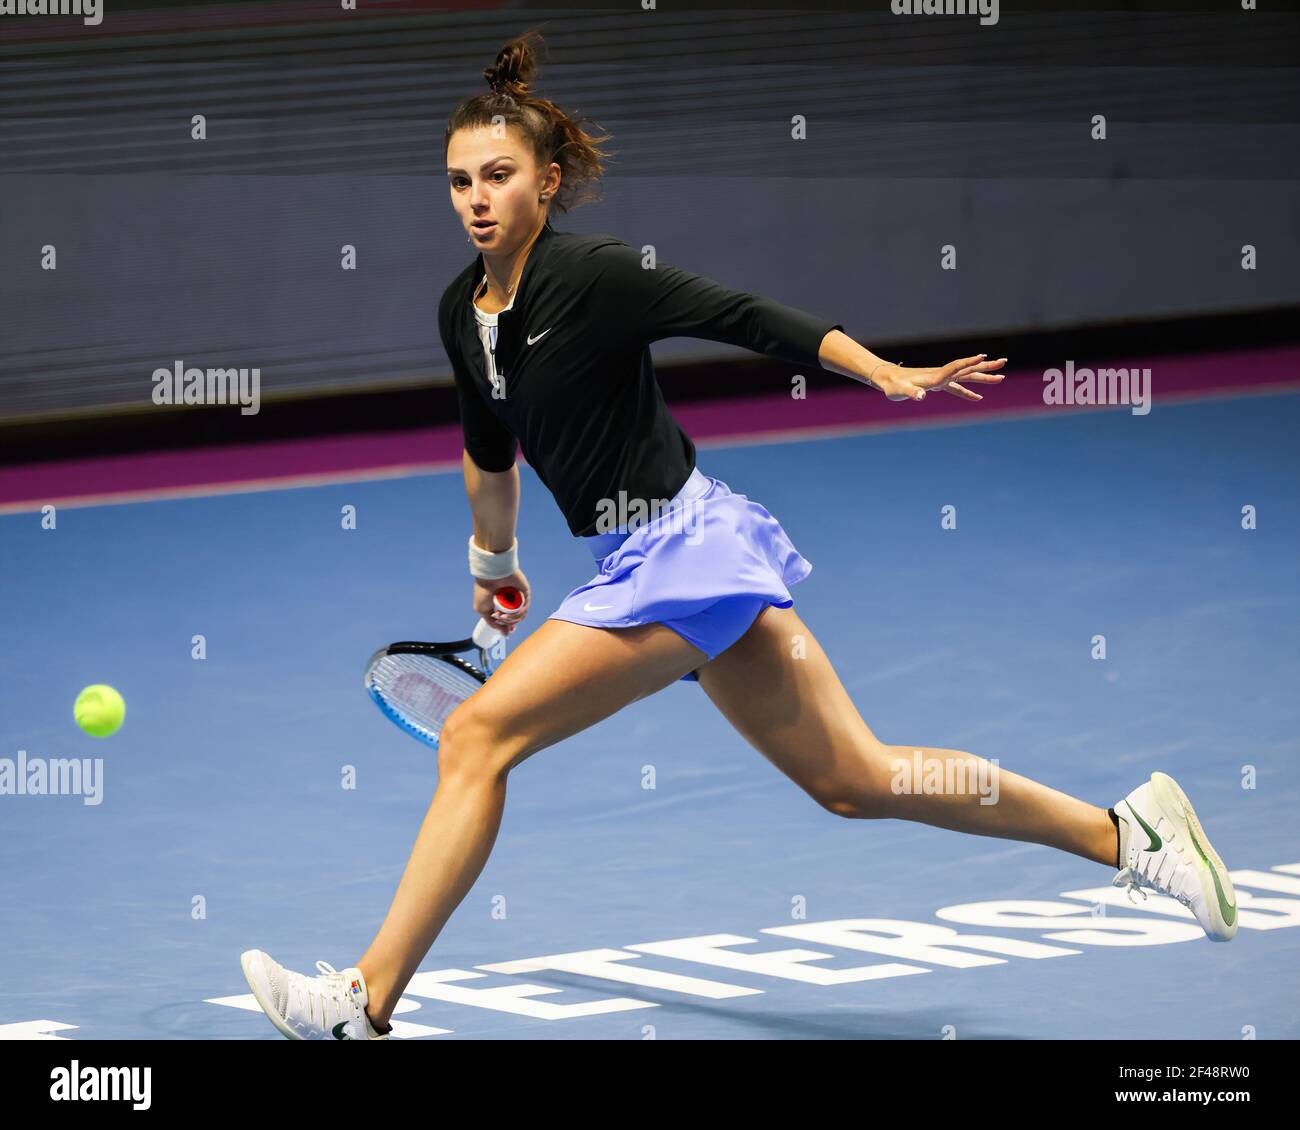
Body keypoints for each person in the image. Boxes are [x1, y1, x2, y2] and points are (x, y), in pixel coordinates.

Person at [239, 31, 1237, 1041]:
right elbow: (489, 453)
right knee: (855, 776)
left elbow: (746, 314)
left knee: (476, 735)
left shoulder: (594, 277)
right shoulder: (463, 310)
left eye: (497, 175)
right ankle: (1128, 832)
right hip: (644, 557)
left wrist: (879, 370)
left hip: (685, 553)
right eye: (458, 181)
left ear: (546, 180)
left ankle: (364, 999)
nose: (475, 198)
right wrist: (492, 568)